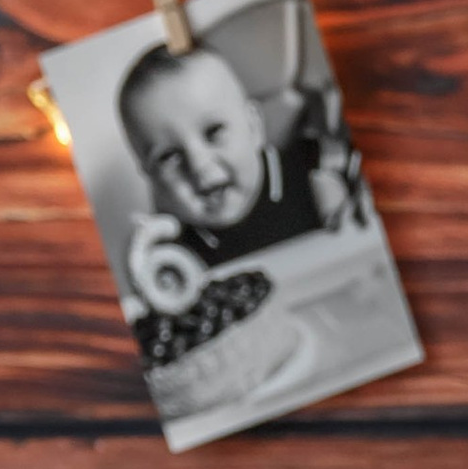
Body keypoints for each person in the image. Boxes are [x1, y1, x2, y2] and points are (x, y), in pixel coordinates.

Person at [113, 27, 364, 375]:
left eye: (214, 132)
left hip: (353, 326)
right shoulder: (180, 257)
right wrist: (148, 278)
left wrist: (349, 200)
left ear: (253, 126)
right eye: (169, 156)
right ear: (150, 177)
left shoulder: (312, 168)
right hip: (265, 369)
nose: (200, 166)